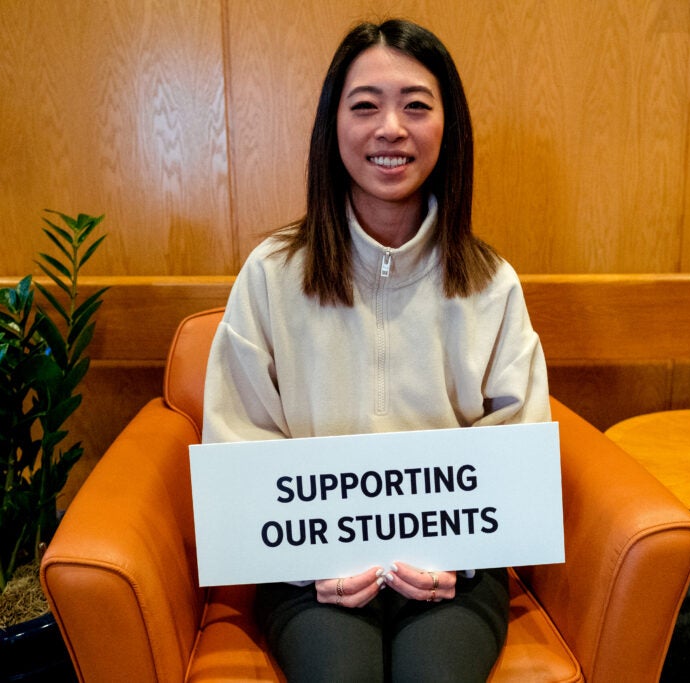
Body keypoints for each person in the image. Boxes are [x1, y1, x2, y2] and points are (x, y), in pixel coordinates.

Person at [202, 18, 551, 682]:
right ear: (333, 128)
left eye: (416, 105)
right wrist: (309, 561)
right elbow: (237, 438)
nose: (391, 127)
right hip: (309, 570)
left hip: (454, 570)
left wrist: (460, 555)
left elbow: (519, 445)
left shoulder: (491, 283)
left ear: (448, 129)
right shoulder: (272, 274)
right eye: (365, 105)